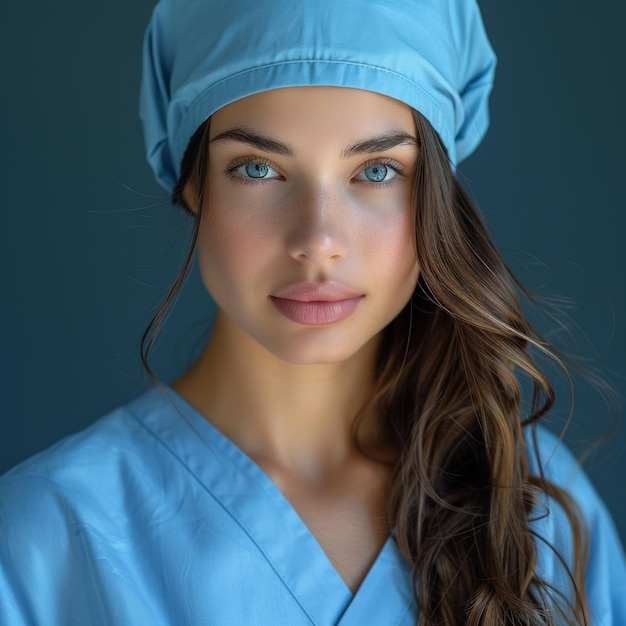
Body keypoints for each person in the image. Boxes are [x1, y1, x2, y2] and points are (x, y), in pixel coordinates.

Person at [1, 0, 624, 624]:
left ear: (435, 194)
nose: (319, 238)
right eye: (258, 168)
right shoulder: (45, 534)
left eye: (377, 170)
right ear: (192, 183)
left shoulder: (539, 508)